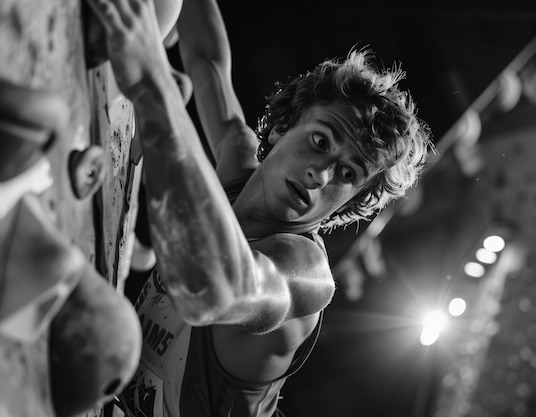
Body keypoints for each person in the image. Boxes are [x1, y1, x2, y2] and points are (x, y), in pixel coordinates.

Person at [85, 0, 433, 416]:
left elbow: (208, 286)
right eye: (320, 142)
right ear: (285, 126)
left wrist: (151, 80)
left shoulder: (303, 274)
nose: (320, 175)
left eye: (346, 174)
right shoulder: (239, 166)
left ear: (353, 201)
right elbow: (206, 59)